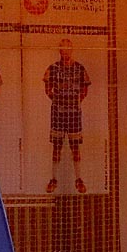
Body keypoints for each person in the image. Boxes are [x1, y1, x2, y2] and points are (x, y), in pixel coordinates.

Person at [42, 37, 90, 193]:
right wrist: (58, 100)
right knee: (57, 147)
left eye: (68, 49)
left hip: (74, 114)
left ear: (72, 50)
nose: (65, 52)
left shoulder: (80, 68)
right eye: (62, 49)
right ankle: (53, 179)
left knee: (75, 147)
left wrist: (75, 101)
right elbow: (47, 88)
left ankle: (78, 179)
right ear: (59, 51)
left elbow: (85, 89)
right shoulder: (53, 68)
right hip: (58, 114)